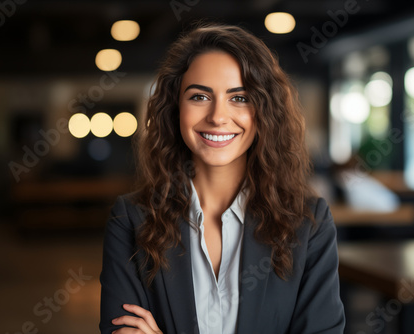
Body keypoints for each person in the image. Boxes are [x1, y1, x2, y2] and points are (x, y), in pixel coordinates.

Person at [100, 23, 345, 334]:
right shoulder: (131, 219)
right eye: (199, 97)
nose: (217, 116)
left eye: (239, 98)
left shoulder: (309, 221)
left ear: (265, 111)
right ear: (176, 108)